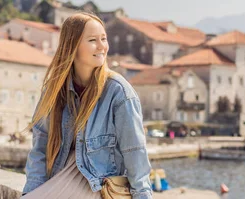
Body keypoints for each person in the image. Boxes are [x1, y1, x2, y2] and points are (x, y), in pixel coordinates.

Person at [21, 12, 152, 199]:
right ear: (72, 46)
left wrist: (142, 196)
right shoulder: (54, 90)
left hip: (98, 186)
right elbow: (40, 147)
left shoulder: (119, 92)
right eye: (93, 40)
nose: (102, 46)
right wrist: (32, 189)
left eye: (104, 39)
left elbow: (135, 152)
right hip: (61, 177)